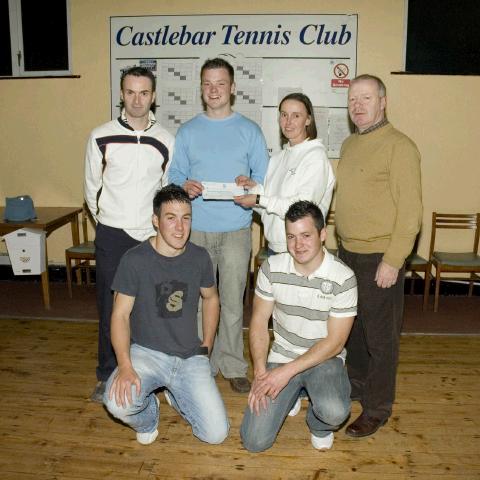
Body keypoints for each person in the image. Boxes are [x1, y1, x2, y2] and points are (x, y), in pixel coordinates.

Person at [167, 58, 269, 393]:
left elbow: (264, 182)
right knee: (198, 300)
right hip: (196, 229)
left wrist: (250, 186)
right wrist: (186, 187)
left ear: (233, 88)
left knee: (232, 298)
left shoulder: (249, 130)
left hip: (237, 230)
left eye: (220, 83)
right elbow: (174, 177)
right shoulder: (188, 131)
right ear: (201, 89)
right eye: (208, 84)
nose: (214, 90)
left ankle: (233, 364)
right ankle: (202, 362)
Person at [103, 185, 229, 445]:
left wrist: (206, 346)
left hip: (189, 356)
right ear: (155, 221)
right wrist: (125, 366)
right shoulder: (134, 260)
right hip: (147, 353)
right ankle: (150, 415)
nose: (180, 227)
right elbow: (120, 316)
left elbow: (212, 298)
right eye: (171, 218)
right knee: (117, 403)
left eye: (186, 218)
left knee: (216, 435)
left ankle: (176, 394)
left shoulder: (199, 257)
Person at [335, 74, 422, 437]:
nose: (358, 105)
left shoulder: (400, 146)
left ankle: (378, 408)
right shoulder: (350, 143)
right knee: (353, 330)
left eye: (366, 98)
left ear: (383, 102)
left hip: (378, 257)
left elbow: (411, 212)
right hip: (348, 253)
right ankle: (356, 386)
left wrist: (394, 258)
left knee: (381, 338)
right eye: (353, 99)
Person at [84, 66, 174, 402]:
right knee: (111, 307)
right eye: (131, 92)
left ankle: (155, 373)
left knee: (153, 307)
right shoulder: (100, 135)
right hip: (113, 234)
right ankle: (107, 372)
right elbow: (91, 189)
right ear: (122, 94)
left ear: (154, 96)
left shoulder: (166, 139)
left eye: (144, 93)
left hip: (150, 236)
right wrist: (109, 222)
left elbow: (167, 190)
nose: (137, 100)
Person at [240, 201, 357, 452]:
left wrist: (285, 374)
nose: (298, 245)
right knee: (254, 442)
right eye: (291, 237)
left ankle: (318, 424)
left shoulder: (343, 277)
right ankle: (293, 393)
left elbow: (335, 343)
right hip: (282, 355)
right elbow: (259, 321)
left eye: (306, 235)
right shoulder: (272, 268)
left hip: (324, 359)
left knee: (334, 412)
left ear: (323, 234)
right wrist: (261, 372)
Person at [234, 92, 335, 254]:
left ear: (308, 120)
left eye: (296, 116)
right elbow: (269, 209)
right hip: (274, 249)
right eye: (284, 115)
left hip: (302, 250)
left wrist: (260, 198)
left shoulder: (315, 156)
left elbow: (303, 209)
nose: (288, 122)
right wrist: (252, 189)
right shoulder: (277, 159)